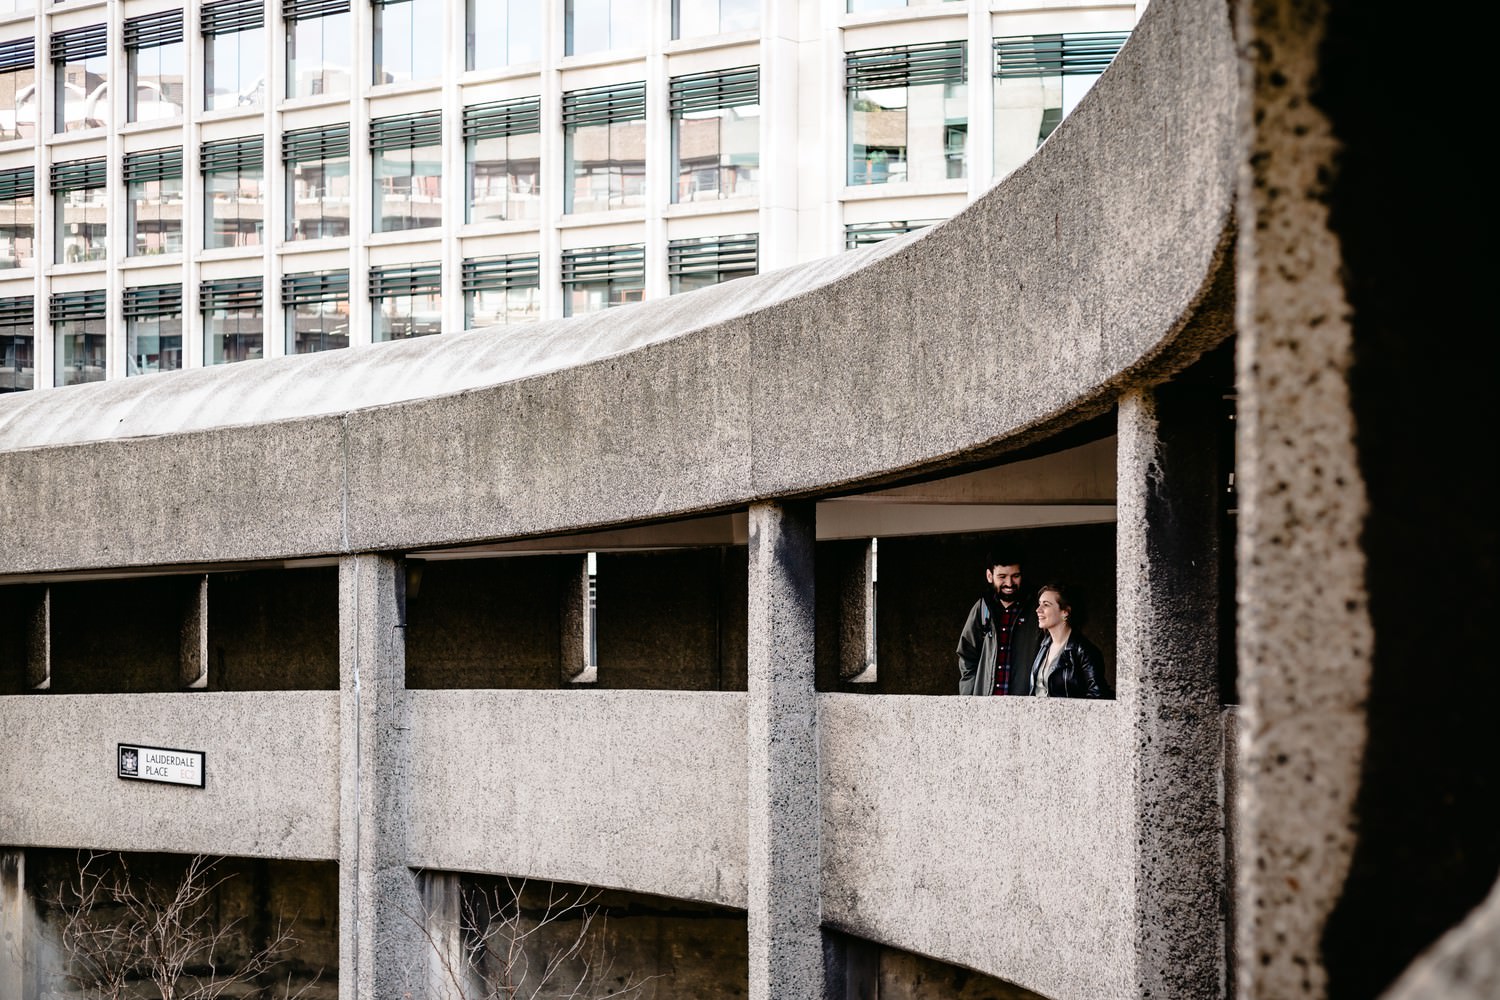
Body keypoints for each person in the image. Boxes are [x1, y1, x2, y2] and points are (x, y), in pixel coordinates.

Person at [956, 548, 1042, 695]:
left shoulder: (1038, 609)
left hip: (1026, 704)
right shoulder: (982, 608)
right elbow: (967, 655)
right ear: (989, 576)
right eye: (1002, 576)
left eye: (1015, 576)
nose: (1009, 583)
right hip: (987, 704)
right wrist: (970, 697)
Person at [1028, 583, 1113, 699]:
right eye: (1039, 604)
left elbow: (1097, 696)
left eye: (1046, 605)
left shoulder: (1085, 651)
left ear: (1065, 612)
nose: (1038, 610)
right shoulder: (1044, 645)